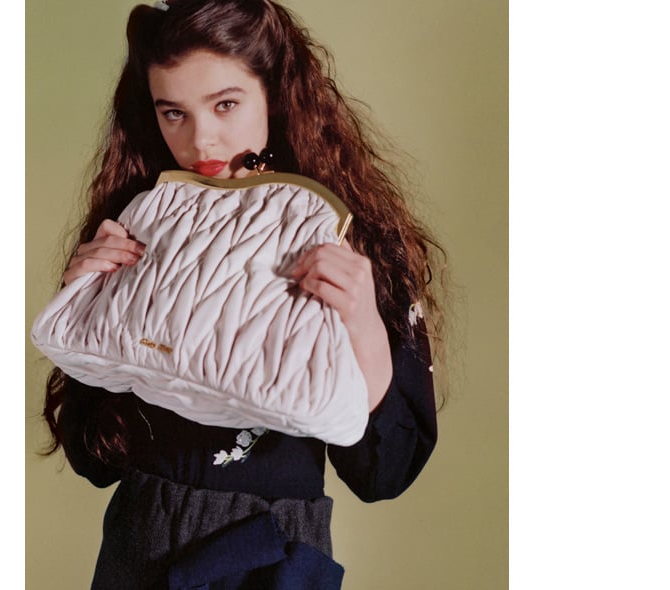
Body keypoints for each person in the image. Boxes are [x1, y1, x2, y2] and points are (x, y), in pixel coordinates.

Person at [40, 0, 445, 587]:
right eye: (173, 112)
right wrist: (85, 305)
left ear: (275, 95)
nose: (201, 139)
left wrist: (362, 321)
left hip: (272, 555)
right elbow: (93, 458)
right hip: (140, 547)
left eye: (226, 104)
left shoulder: (349, 239)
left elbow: (385, 473)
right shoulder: (142, 220)